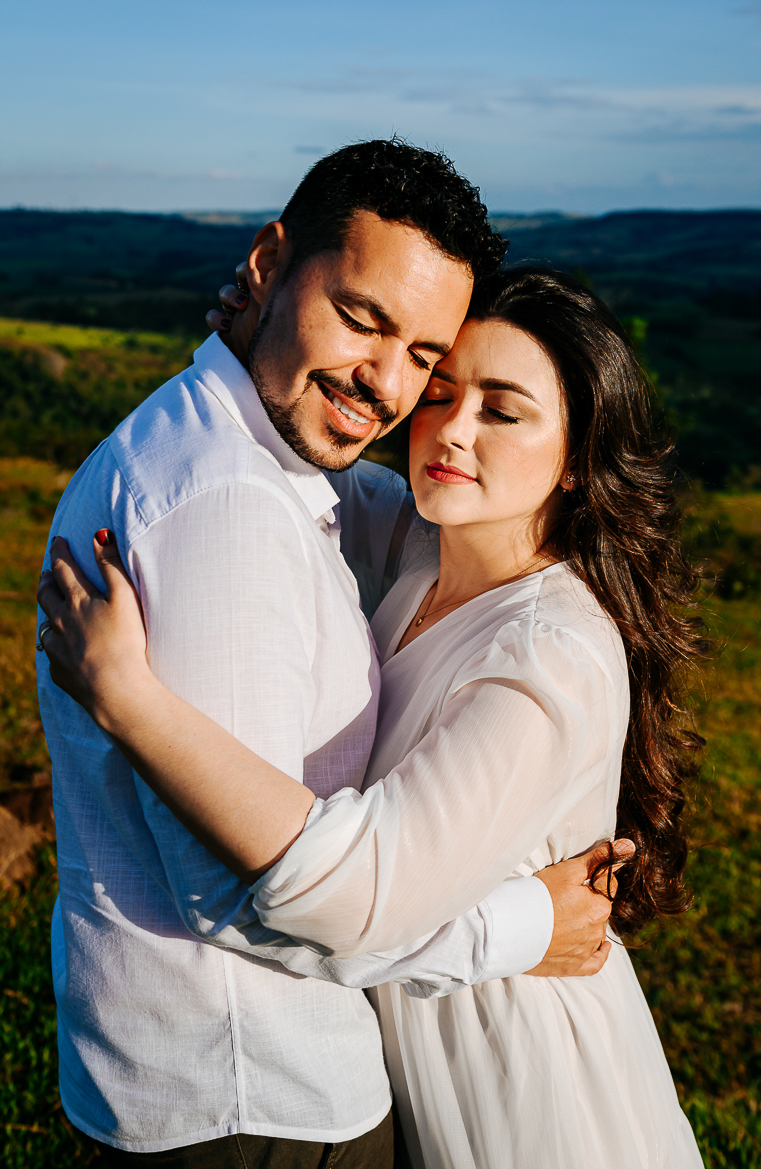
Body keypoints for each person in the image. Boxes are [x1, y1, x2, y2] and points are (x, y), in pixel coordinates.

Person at [39, 265, 706, 1167]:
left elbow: (351, 892)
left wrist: (133, 702)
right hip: (404, 1034)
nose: (450, 430)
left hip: (509, 1063)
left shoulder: (550, 653)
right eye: (440, 391)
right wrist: (252, 335)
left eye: (502, 412)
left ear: (581, 462)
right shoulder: (424, 547)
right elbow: (289, 465)